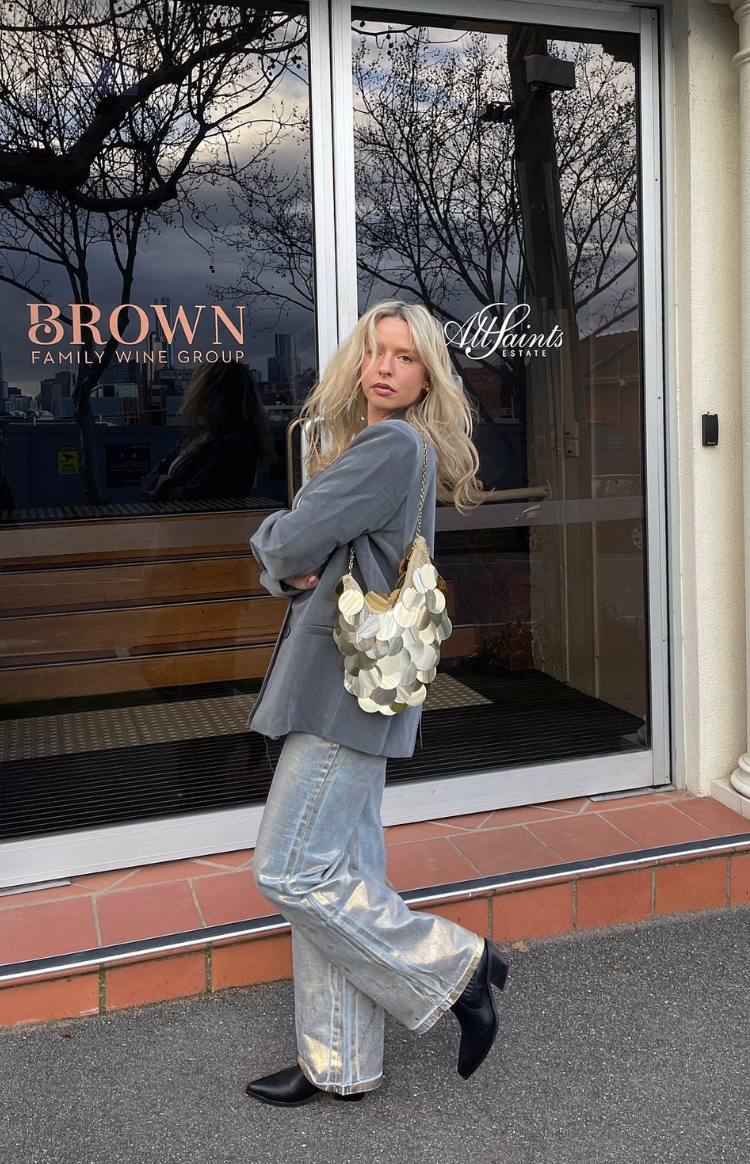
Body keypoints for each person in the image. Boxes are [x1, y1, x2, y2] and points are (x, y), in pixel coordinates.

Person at [245, 301, 508, 1108]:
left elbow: (291, 541)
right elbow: (317, 548)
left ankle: (457, 968)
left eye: (406, 356)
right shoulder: (407, 447)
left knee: (289, 870)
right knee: (341, 870)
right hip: (368, 686)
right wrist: (302, 555)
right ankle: (341, 1062)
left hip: (342, 694)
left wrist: (277, 548)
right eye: (376, 351)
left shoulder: (388, 446)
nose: (385, 367)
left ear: (428, 376)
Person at [140, 361, 276, 503]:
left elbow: (194, 499)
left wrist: (163, 486)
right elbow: (148, 481)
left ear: (210, 394)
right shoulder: (196, 436)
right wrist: (171, 489)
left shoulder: (234, 447)